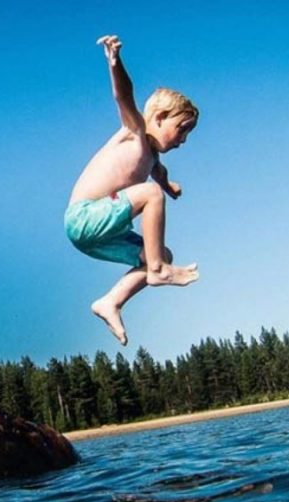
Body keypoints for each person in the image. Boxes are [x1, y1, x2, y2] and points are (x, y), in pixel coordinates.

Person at [64, 35, 200, 346]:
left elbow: (160, 174)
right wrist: (115, 62)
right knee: (150, 194)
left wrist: (170, 186)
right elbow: (123, 95)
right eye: (181, 130)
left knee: (159, 253)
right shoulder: (135, 131)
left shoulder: (153, 158)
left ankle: (111, 301)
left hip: (102, 235)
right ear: (160, 118)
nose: (183, 140)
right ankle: (158, 271)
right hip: (84, 217)